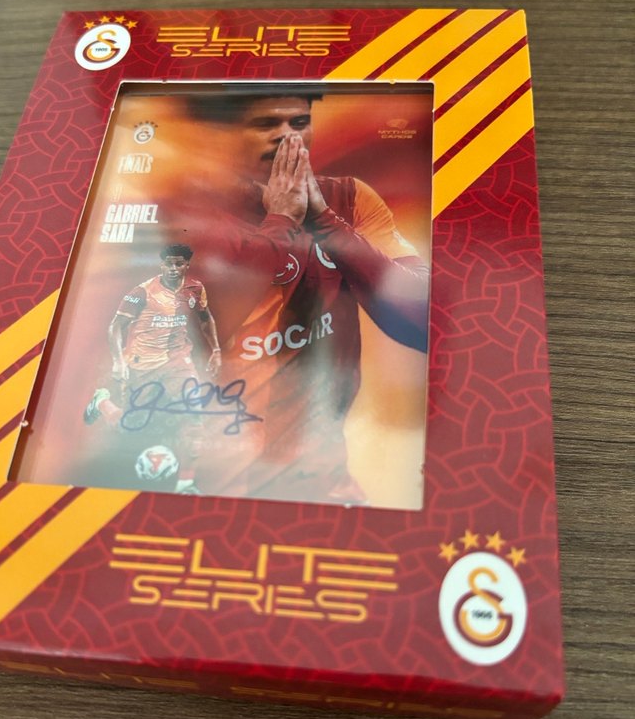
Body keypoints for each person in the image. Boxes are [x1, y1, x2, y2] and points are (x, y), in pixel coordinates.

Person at [162, 93, 431, 504]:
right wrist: (282, 221)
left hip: (325, 483)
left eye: (299, 122)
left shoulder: (348, 200)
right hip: (222, 489)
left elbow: (421, 319)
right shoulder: (187, 219)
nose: (287, 137)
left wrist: (325, 222)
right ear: (225, 135)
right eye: (266, 124)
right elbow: (200, 337)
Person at [84, 243, 221, 495]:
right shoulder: (142, 292)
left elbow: (205, 319)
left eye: (178, 264)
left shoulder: (195, 288)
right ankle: (101, 401)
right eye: (169, 264)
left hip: (178, 361)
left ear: (186, 265)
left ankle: (185, 483)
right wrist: (118, 361)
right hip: (142, 364)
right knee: (130, 425)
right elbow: (115, 326)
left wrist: (216, 349)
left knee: (195, 415)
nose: (173, 268)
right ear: (162, 265)